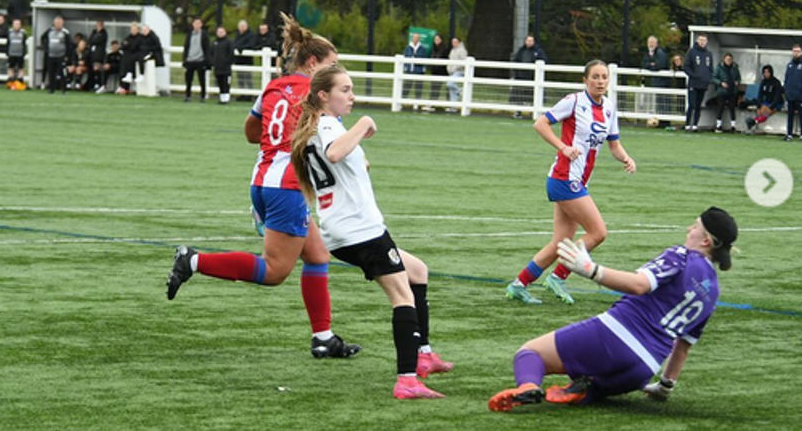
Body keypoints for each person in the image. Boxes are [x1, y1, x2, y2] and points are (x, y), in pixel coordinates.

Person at [166, 13, 361, 360]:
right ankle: (193, 261)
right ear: (312, 63)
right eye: (332, 65)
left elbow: (250, 132)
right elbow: (335, 147)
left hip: (262, 181)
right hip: (287, 188)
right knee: (273, 271)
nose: (336, 73)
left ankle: (323, 338)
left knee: (317, 255)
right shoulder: (319, 95)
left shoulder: (273, 87)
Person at [291, 64, 453, 399]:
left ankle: (423, 353)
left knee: (417, 271)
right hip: (360, 231)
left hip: (341, 231)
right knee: (402, 297)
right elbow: (334, 153)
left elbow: (335, 159)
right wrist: (365, 122)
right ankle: (407, 380)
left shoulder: (318, 128)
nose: (352, 96)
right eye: (345, 90)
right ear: (323, 96)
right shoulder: (328, 126)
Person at [490, 207, 737, 411]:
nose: (689, 230)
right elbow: (682, 347)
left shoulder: (681, 255)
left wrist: (591, 270)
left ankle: (528, 387)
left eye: (695, 226)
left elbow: (639, 285)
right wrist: (664, 387)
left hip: (615, 336)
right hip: (644, 368)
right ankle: (587, 390)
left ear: (706, 240)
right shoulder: (713, 293)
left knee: (530, 353)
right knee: (592, 385)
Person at [505, 60, 636, 305]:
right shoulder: (574, 101)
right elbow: (540, 123)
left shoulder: (609, 107)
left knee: (560, 242)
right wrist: (563, 147)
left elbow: (614, 145)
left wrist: (626, 158)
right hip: (565, 179)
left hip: (578, 181)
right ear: (585, 80)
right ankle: (558, 276)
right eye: (595, 77)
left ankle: (519, 284)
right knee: (598, 233)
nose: (600, 81)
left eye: (604, 77)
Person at [511, 35, 548, 119]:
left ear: (534, 42)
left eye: (531, 41)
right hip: (521, 77)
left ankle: (533, 113)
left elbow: (544, 61)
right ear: (525, 41)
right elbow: (515, 61)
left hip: (533, 78)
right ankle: (518, 112)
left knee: (534, 95)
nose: (529, 42)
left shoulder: (538, 51)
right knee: (519, 96)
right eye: (528, 40)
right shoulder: (521, 51)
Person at [683, 33, 713, 132]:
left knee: (698, 105)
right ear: (697, 41)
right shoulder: (691, 52)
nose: (702, 42)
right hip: (693, 83)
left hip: (703, 84)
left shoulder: (709, 54)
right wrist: (694, 75)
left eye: (704, 40)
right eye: (700, 40)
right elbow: (686, 67)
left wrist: (708, 78)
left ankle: (695, 125)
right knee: (692, 104)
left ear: (707, 42)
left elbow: (710, 68)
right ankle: (688, 125)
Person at [745, 65, 784, 134]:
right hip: (767, 102)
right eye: (764, 72)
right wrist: (759, 106)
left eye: (767, 72)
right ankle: (754, 123)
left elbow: (777, 97)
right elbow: (760, 94)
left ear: (771, 72)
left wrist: (771, 107)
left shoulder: (776, 82)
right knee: (761, 111)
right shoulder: (763, 82)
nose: (766, 74)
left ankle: (752, 122)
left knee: (766, 112)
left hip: (777, 103)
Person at [40, 15, 74, 94]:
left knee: (62, 73)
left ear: (62, 23)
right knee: (51, 72)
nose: (58, 24)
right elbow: (42, 38)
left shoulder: (65, 32)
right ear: (54, 23)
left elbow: (69, 45)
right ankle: (51, 89)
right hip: (51, 55)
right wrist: (46, 48)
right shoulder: (49, 31)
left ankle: (63, 89)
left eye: (59, 23)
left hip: (61, 56)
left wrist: (67, 56)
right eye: (57, 23)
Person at [712, 52, 741, 133]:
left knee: (732, 108)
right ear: (724, 59)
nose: (729, 61)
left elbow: (739, 77)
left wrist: (737, 82)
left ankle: (733, 126)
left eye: (730, 59)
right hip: (722, 91)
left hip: (732, 91)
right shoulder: (719, 68)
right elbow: (714, 78)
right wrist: (721, 83)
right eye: (727, 59)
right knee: (720, 107)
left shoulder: (735, 68)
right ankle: (718, 126)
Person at [182, 18, 210, 102]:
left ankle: (202, 96)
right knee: (188, 80)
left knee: (202, 80)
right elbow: (186, 47)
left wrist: (206, 60)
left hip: (200, 60)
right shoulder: (189, 34)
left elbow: (207, 48)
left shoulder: (204, 35)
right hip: (190, 60)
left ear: (201, 25)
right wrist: (184, 59)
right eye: (195, 23)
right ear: (193, 24)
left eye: (199, 23)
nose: (197, 25)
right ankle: (188, 96)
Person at [425, 33, 449, 112]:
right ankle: (432, 104)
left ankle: (449, 104)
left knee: (446, 88)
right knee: (434, 88)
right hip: (434, 71)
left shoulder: (445, 49)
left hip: (442, 71)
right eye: (435, 39)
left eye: (438, 39)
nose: (436, 41)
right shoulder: (432, 48)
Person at [783, 43, 802, 141]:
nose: (796, 53)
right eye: (794, 51)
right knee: (790, 116)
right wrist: (786, 92)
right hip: (790, 96)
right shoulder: (789, 65)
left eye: (798, 51)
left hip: (800, 96)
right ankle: (789, 134)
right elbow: (786, 79)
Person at [211, 25, 234, 104]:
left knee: (226, 83)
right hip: (217, 68)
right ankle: (222, 98)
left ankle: (226, 99)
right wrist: (213, 62)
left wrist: (227, 62)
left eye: (222, 32)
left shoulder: (229, 42)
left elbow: (231, 54)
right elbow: (211, 53)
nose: (220, 33)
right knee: (219, 83)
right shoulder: (214, 42)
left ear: (225, 32)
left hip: (226, 68)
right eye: (219, 32)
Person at [403, 33, 428, 104]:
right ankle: (402, 101)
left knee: (418, 88)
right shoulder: (408, 48)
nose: (415, 39)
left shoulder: (422, 49)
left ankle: (417, 103)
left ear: (419, 39)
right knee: (406, 87)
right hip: (409, 70)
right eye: (414, 38)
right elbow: (405, 57)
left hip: (418, 71)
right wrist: (406, 67)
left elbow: (423, 59)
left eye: (417, 38)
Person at [5, 18, 28, 90]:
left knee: (21, 68)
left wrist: (24, 52)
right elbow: (7, 43)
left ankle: (20, 81)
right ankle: (11, 81)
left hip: (20, 54)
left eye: (18, 24)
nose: (17, 25)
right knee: (10, 67)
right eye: (15, 24)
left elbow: (24, 44)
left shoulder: (23, 33)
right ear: (13, 25)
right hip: (11, 53)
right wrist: (7, 52)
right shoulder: (9, 33)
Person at [233, 20, 256, 92]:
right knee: (240, 78)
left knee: (248, 78)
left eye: (243, 26)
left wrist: (241, 48)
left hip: (247, 60)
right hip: (238, 60)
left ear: (247, 27)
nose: (242, 28)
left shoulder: (251, 35)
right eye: (240, 26)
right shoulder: (237, 35)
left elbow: (250, 45)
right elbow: (234, 44)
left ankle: (250, 93)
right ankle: (242, 93)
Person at [446, 37, 467, 112]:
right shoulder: (452, 50)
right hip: (452, 72)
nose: (453, 43)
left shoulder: (462, 50)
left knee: (450, 83)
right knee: (451, 90)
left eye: (455, 42)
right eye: (452, 42)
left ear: (459, 42)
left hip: (459, 71)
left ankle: (459, 90)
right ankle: (453, 107)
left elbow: (463, 62)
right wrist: (449, 68)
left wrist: (455, 67)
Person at [89, 21, 108, 92]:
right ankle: (94, 84)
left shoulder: (104, 33)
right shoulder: (94, 32)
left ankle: (100, 85)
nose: (98, 26)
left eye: (99, 25)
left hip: (100, 54)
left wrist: (93, 40)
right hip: (93, 53)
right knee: (93, 68)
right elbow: (90, 40)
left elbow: (96, 41)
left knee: (98, 68)